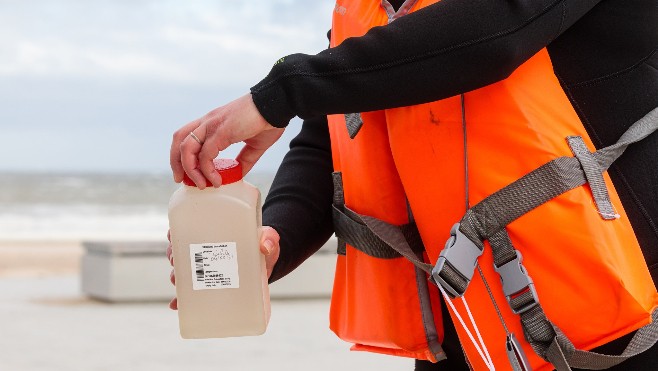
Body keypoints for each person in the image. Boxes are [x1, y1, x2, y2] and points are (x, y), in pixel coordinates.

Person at [168, 0, 658, 370]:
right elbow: (329, 141)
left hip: (625, 322)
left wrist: (281, 92)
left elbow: (491, 32)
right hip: (465, 325)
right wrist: (275, 239)